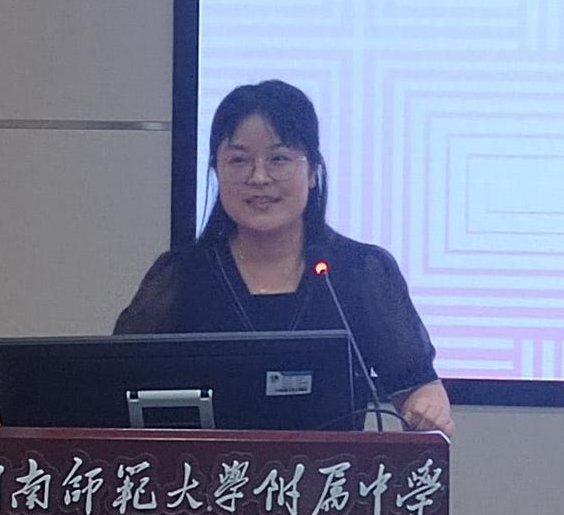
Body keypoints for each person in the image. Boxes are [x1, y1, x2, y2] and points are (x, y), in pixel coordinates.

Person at [114, 78, 455, 436]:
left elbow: (419, 388)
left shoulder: (359, 271)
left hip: (333, 470)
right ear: (216, 171)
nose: (259, 177)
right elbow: (117, 387)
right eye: (239, 160)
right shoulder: (182, 275)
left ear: (313, 172)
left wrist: (427, 409)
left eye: (279, 159)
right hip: (207, 471)